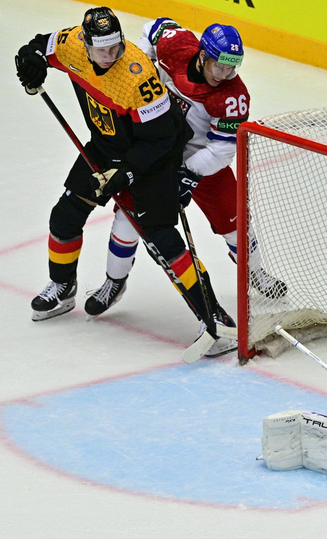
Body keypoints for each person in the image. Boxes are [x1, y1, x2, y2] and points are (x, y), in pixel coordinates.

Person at [14, 7, 232, 347]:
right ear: (85, 43)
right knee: (65, 215)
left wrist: (126, 172)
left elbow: (162, 138)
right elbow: (41, 47)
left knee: (160, 237)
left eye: (115, 46)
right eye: (101, 49)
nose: (109, 55)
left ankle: (214, 315)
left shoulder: (137, 75)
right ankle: (63, 287)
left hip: (154, 156)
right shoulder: (71, 44)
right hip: (105, 146)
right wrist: (30, 59)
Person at [84, 18, 286, 326]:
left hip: (202, 160)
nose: (224, 75)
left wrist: (188, 175)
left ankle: (256, 273)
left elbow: (220, 151)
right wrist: (146, 67)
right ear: (203, 55)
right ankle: (114, 281)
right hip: (157, 153)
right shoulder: (176, 44)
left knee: (236, 224)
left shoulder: (232, 97)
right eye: (219, 66)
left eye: (231, 69)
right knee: (127, 217)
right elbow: (153, 27)